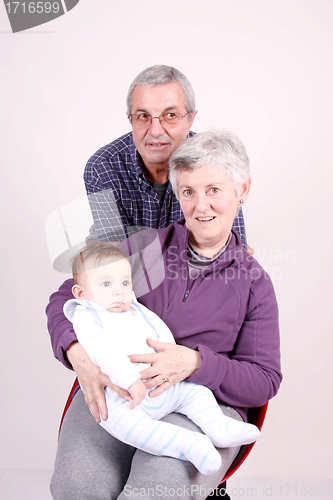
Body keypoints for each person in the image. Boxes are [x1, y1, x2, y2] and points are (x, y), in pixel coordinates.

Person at [47, 130, 282, 499]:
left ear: (243, 191)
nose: (201, 206)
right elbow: (66, 297)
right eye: (188, 191)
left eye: (214, 190)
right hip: (120, 391)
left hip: (201, 402)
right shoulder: (148, 250)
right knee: (78, 486)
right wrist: (76, 353)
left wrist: (195, 363)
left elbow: (263, 380)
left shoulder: (254, 284)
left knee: (155, 490)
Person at [64, 242, 260, 476]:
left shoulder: (134, 308)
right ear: (81, 293)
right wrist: (129, 381)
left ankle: (217, 425)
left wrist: (171, 358)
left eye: (124, 283)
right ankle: (189, 444)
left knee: (196, 393)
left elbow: (160, 330)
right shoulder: (87, 316)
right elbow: (103, 353)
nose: (119, 291)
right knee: (131, 427)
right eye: (106, 284)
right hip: (125, 397)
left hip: (164, 385)